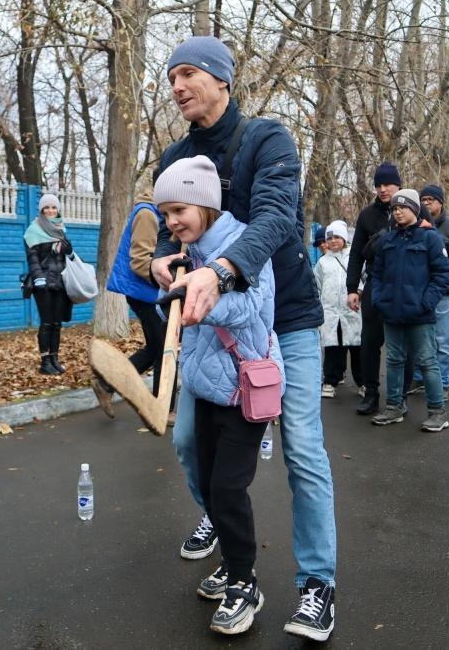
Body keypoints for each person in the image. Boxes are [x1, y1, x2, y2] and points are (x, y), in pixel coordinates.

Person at [150, 36, 335, 642]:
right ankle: (227, 531)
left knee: (303, 451)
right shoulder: (174, 154)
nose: (176, 86)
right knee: (187, 444)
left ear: (222, 80)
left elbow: (278, 217)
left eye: (187, 74)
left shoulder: (267, 139)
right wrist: (163, 260)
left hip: (286, 321)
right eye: (171, 76)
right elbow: (166, 231)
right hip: (213, 331)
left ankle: (317, 586)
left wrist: (223, 271)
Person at [153, 155, 283, 635]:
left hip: (246, 390)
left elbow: (252, 307)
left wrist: (198, 302)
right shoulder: (190, 249)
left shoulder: (241, 245)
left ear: (205, 205)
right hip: (206, 387)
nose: (171, 223)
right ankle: (231, 564)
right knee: (210, 485)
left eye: (178, 211)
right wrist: (167, 277)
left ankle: (245, 582)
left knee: (228, 488)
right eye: (165, 214)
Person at [368, 190, 449, 432]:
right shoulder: (388, 240)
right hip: (391, 313)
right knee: (394, 360)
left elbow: (443, 275)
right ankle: (394, 406)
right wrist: (380, 299)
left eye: (403, 207)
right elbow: (378, 273)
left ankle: (437, 412)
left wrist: (426, 302)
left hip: (420, 315)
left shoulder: (430, 238)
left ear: (414, 210)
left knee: (427, 361)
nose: (397, 211)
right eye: (394, 208)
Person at [98, 189, 166, 415]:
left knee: (156, 348)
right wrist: (169, 281)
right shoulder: (148, 214)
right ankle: (160, 407)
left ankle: (106, 383)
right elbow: (140, 262)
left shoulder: (157, 212)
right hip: (143, 291)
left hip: (145, 292)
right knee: (163, 351)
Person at [346, 162, 403, 415]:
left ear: (398, 185)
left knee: (402, 344)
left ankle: (399, 396)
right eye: (378, 185)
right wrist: (352, 288)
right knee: (369, 343)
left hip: (404, 288)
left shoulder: (413, 211)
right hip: (375, 285)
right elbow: (356, 253)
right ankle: (370, 393)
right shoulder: (368, 215)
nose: (382, 189)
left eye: (387, 184)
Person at [414, 185, 449, 393]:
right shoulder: (415, 226)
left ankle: (444, 382)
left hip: (442, 295)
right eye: (423, 199)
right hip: (418, 294)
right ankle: (420, 380)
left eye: (431, 199)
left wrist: (444, 286)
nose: (426, 203)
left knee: (444, 341)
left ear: (441, 202)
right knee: (420, 339)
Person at [24, 193, 73, 375]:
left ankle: (54, 358)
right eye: (47, 207)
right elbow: (33, 258)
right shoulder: (32, 231)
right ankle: (45, 362)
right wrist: (39, 278)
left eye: (54, 207)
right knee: (46, 323)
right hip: (42, 283)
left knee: (57, 323)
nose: (51, 211)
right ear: (41, 210)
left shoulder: (61, 230)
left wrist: (70, 251)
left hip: (60, 282)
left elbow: (67, 256)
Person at [314, 220, 362, 399]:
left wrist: (359, 292)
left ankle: (362, 381)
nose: (333, 241)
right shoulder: (322, 263)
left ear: (344, 238)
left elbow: (363, 277)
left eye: (337, 237)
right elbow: (316, 285)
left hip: (352, 310)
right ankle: (330, 381)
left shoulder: (354, 258)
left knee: (356, 347)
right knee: (333, 347)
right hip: (331, 312)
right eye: (330, 238)